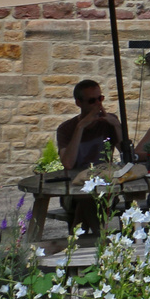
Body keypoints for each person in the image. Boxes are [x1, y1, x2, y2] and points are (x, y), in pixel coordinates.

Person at [54, 79, 124, 239]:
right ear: (79, 103)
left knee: (86, 202)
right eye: (92, 100)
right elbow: (68, 163)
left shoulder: (108, 122)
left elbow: (125, 153)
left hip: (105, 189)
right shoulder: (66, 129)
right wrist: (80, 127)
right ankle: (104, 243)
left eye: (100, 98)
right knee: (85, 197)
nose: (98, 104)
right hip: (73, 191)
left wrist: (116, 126)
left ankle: (77, 249)